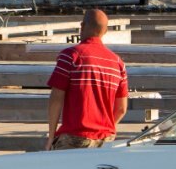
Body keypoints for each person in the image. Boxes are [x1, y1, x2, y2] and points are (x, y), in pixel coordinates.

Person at [46, 8, 128, 149]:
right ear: (105, 31)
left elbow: (56, 99)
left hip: (75, 136)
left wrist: (51, 137)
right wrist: (104, 130)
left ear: (82, 26)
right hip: (106, 140)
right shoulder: (118, 63)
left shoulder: (70, 56)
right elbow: (121, 109)